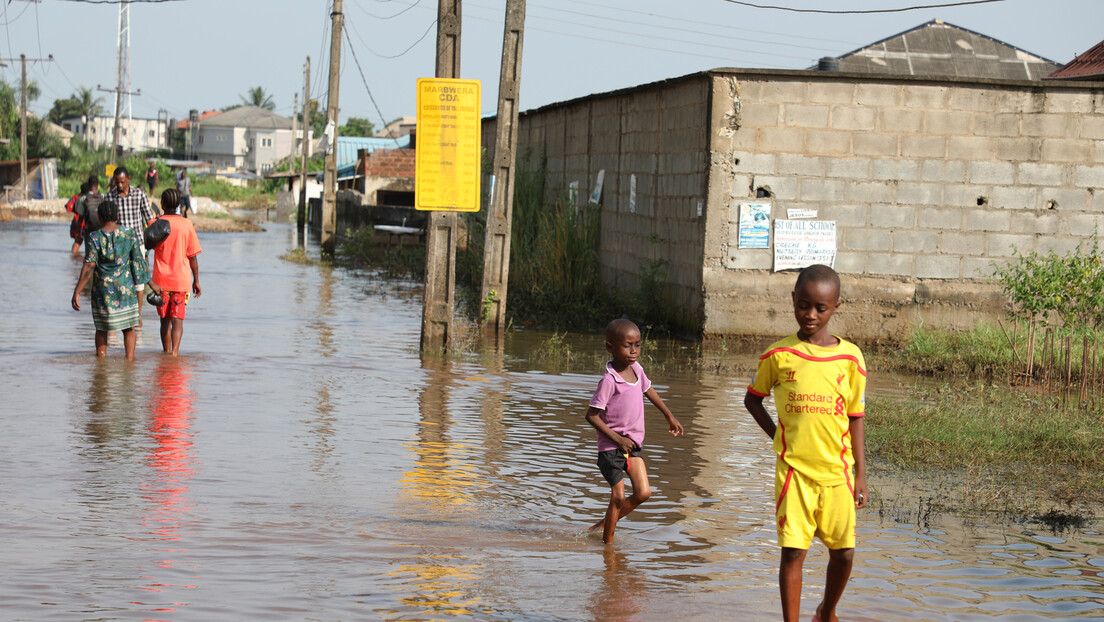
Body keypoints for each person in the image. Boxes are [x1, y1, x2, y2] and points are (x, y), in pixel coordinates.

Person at [743, 264, 867, 622]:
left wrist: (861, 474)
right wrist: (778, 437)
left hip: (837, 473)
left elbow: (856, 417)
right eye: (803, 305)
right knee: (793, 553)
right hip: (794, 473)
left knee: (843, 553)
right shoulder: (777, 356)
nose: (810, 314)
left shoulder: (851, 359)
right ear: (793, 301)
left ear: (836, 306)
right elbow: (753, 400)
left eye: (820, 308)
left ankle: (826, 611)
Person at [585, 318, 683, 544]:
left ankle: (602, 525)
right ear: (610, 346)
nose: (633, 350)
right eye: (627, 345)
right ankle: (608, 548)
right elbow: (591, 415)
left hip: (632, 444)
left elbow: (649, 390)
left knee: (643, 493)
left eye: (637, 345)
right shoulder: (610, 380)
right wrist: (618, 439)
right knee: (618, 497)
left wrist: (668, 415)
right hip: (611, 447)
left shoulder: (637, 370)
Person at [71, 199, 163, 360]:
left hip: (103, 292)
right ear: (117, 215)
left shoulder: (94, 237)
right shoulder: (129, 234)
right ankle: (129, 362)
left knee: (101, 328)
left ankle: (101, 362)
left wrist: (77, 291)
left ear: (99, 217)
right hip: (125, 290)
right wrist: (152, 284)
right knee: (128, 328)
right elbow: (138, 262)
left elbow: (89, 266)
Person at [149, 188, 202, 356]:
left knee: (164, 321)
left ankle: (165, 353)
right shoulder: (187, 224)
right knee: (177, 321)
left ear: (162, 204)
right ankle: (174, 355)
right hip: (181, 281)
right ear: (179, 204)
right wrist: (197, 281)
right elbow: (192, 257)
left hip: (160, 282)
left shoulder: (154, 224)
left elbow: (145, 250)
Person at [105, 166, 157, 321]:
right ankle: (118, 313)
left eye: (122, 182)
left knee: (138, 281)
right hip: (117, 245)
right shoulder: (110, 197)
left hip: (137, 243)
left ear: (128, 179)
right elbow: (107, 222)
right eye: (116, 182)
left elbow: (148, 217)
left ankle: (137, 316)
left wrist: (153, 239)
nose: (119, 185)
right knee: (117, 280)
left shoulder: (139, 194)